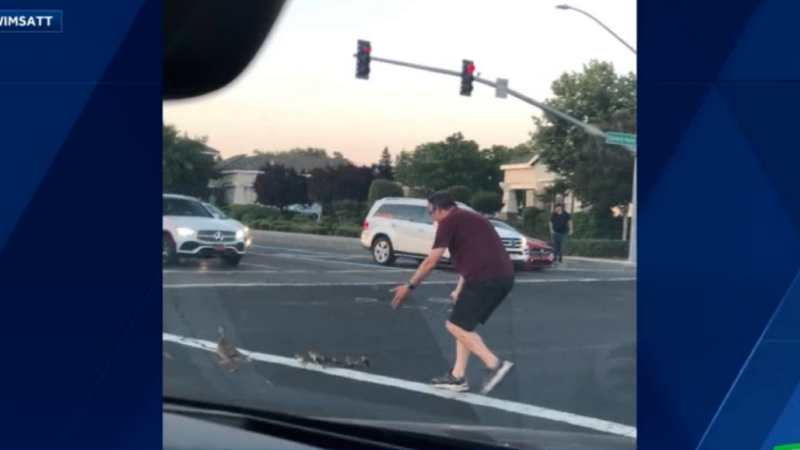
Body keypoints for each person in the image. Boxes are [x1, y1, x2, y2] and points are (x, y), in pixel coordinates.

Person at [390, 192, 515, 395]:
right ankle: (457, 377)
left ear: (439, 209)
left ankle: (495, 365)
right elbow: (476, 254)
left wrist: (409, 286)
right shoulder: (473, 218)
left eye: (431, 213)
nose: (432, 219)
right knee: (464, 326)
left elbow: (431, 261)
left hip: (485, 278)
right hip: (501, 277)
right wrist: (459, 288)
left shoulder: (449, 221)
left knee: (454, 326)